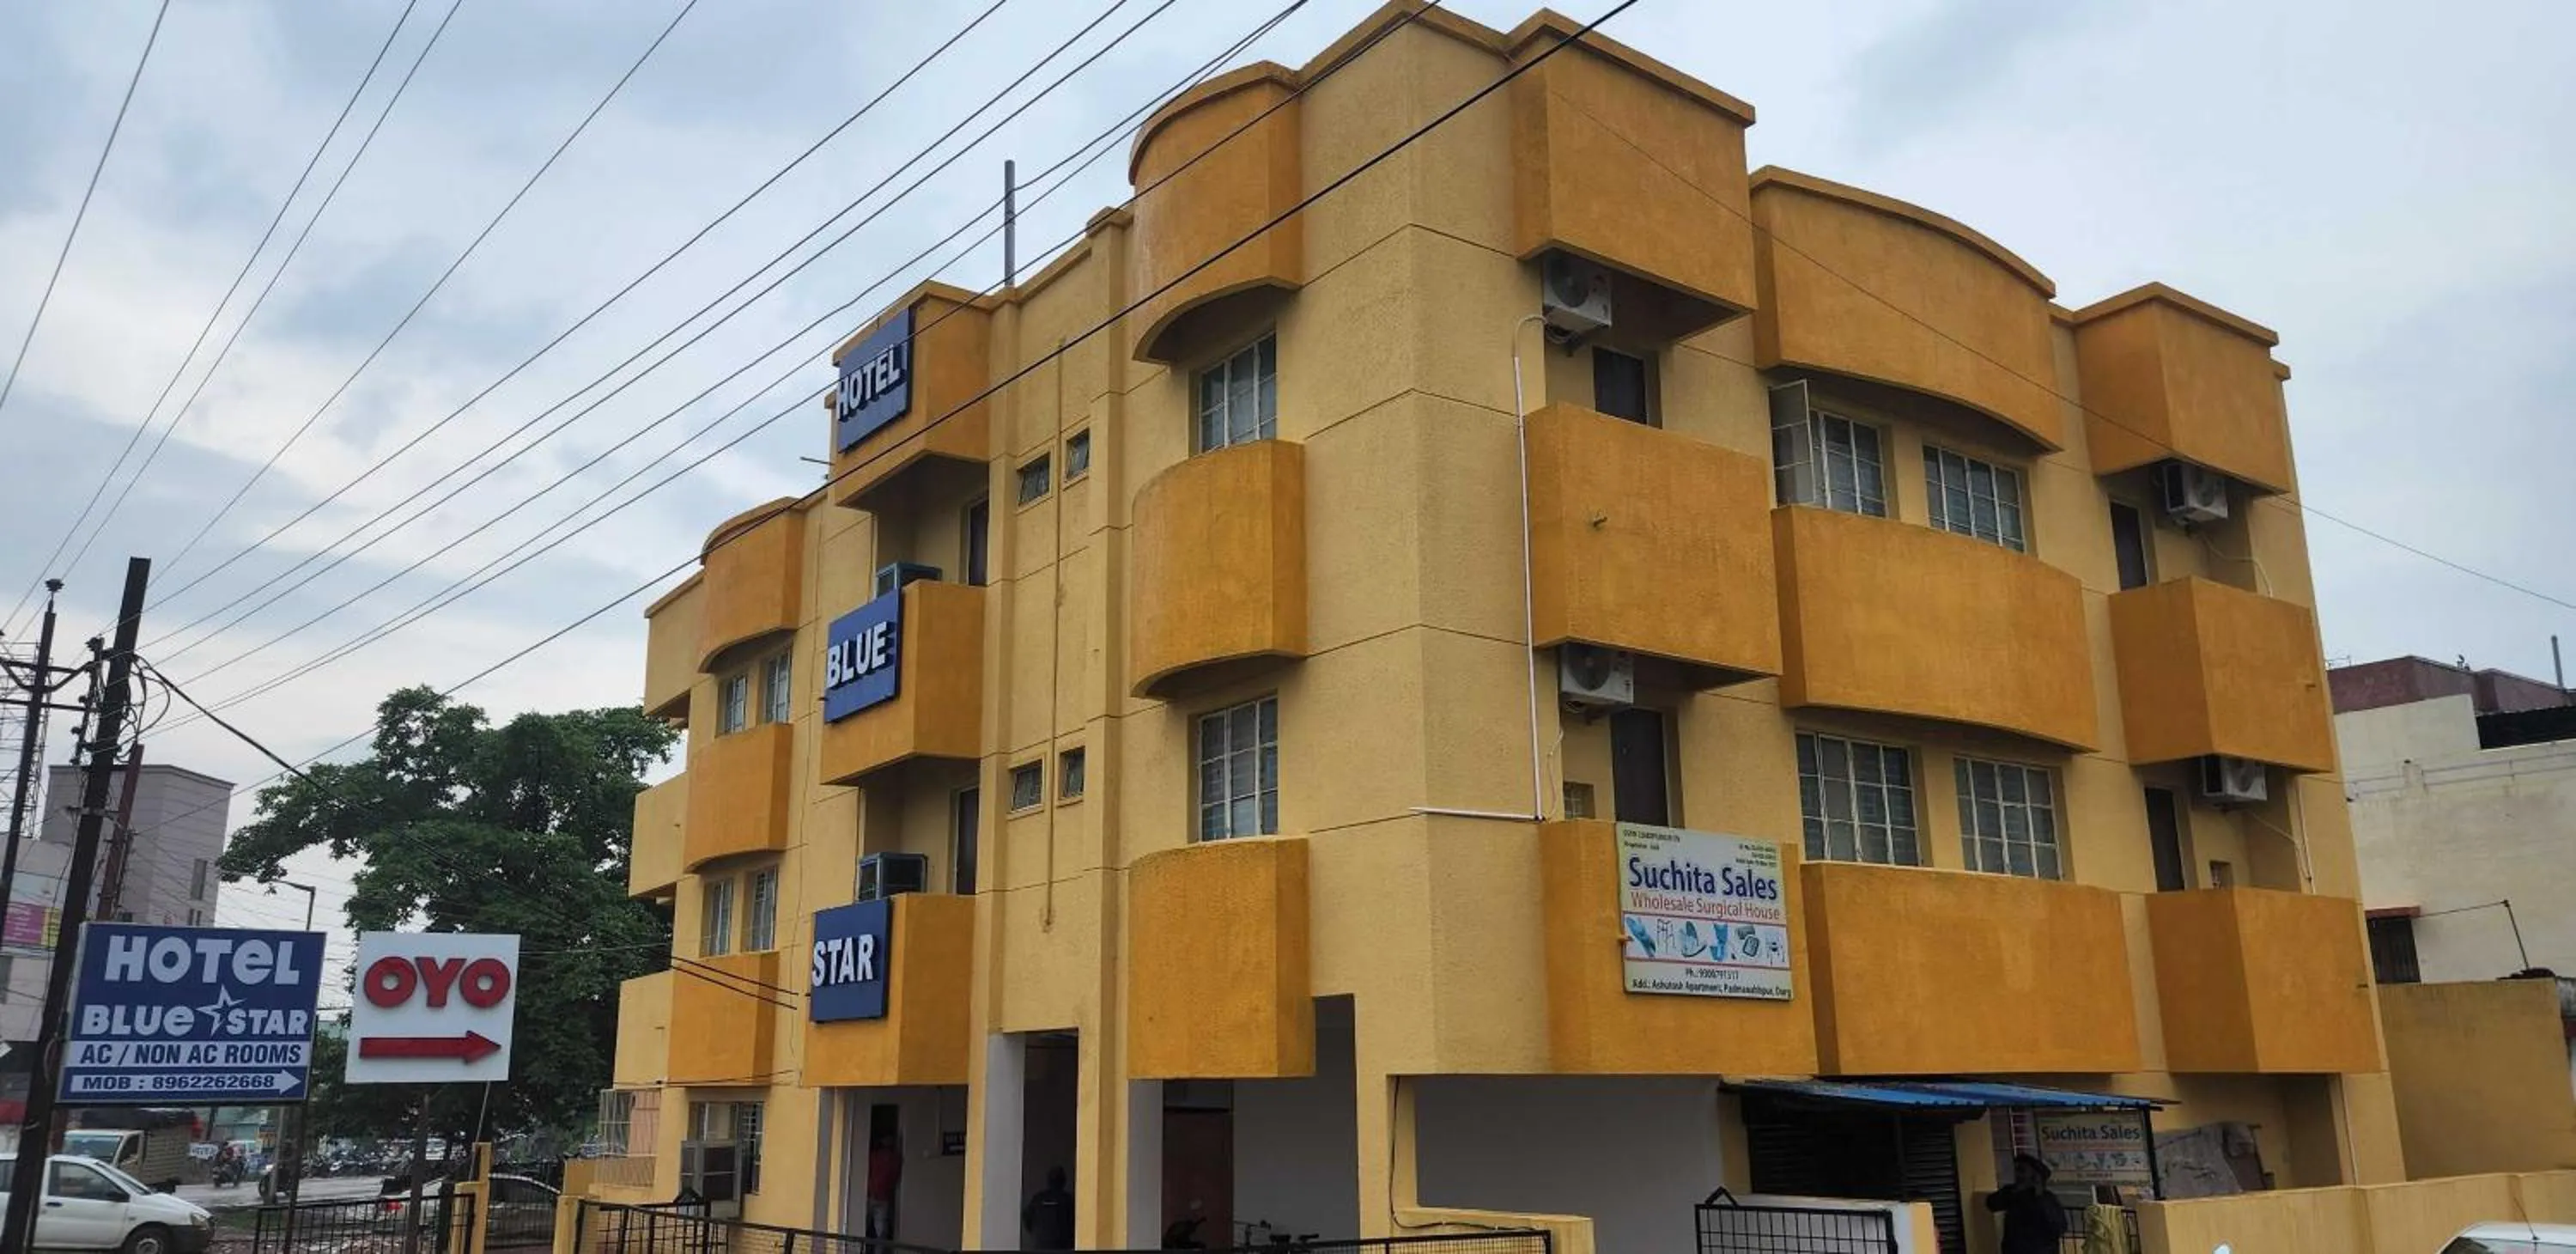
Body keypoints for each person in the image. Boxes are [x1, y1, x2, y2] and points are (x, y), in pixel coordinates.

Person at [1984, 1154, 2069, 1254]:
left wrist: (2039, 1195)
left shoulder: (2047, 1198)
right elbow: (1992, 1204)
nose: (2018, 1175)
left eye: (2022, 1170)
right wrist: (2015, 1191)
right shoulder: (2012, 1193)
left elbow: (2059, 1228)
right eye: (2016, 1170)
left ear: (2034, 1175)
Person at [1023, 1166, 1076, 1251]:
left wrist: (1037, 1232)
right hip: (1062, 1244)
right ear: (1063, 1181)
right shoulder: (1068, 1200)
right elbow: (1076, 1222)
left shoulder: (1038, 1198)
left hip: (1041, 1243)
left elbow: (1026, 1218)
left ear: (1048, 1181)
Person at [865, 1131, 902, 1240]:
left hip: (873, 1196)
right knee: (880, 1232)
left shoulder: (875, 1156)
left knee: (867, 1228)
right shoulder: (894, 1158)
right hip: (880, 1196)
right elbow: (895, 1178)